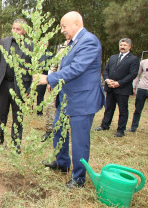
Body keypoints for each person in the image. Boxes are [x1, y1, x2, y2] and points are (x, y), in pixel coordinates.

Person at [37, 11, 105, 189]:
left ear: (77, 23)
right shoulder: (74, 42)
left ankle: (79, 178)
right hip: (67, 98)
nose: (62, 30)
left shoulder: (89, 41)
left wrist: (49, 79)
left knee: (80, 140)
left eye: (64, 26)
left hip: (83, 99)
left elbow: (76, 69)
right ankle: (62, 163)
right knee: (58, 129)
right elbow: (65, 66)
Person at [0, 19, 32, 151]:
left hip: (20, 87)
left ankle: (16, 143)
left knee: (18, 116)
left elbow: (35, 70)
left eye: (18, 29)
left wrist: (29, 89)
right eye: (13, 28)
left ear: (24, 31)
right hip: (3, 85)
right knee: (1, 114)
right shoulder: (4, 42)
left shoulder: (30, 45)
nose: (15, 31)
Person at [95, 38, 139, 137]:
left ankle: (121, 130)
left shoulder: (133, 59)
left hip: (122, 89)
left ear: (130, 47)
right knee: (109, 108)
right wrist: (107, 80)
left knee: (123, 110)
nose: (122, 47)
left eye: (125, 45)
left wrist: (119, 83)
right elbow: (105, 70)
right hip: (110, 87)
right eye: (121, 45)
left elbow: (133, 74)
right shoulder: (113, 57)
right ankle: (105, 125)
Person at [127, 45, 148, 137]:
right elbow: (137, 75)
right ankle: (133, 128)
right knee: (137, 110)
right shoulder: (143, 62)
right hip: (142, 89)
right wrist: (134, 87)